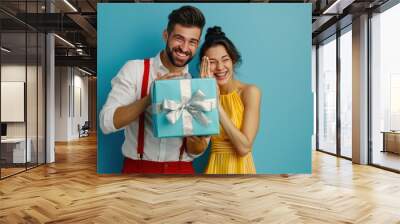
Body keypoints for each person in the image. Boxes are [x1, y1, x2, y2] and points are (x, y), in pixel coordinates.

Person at [99, 6, 210, 174]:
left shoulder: (199, 87)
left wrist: (198, 139)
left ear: (197, 44)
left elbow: (196, 151)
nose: (185, 48)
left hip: (182, 172)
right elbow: (106, 123)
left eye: (192, 42)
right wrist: (149, 98)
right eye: (179, 38)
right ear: (166, 35)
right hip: (137, 170)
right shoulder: (135, 70)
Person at [199, 26, 261, 174]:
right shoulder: (200, 95)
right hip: (213, 169)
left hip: (242, 170)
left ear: (233, 60)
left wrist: (217, 106)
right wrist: (205, 92)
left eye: (225, 60)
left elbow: (244, 148)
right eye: (212, 62)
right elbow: (197, 146)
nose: (220, 67)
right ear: (204, 66)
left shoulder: (250, 92)